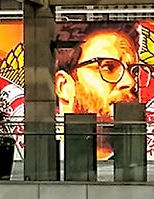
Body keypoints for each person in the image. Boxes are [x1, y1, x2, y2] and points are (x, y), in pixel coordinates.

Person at [55, 23, 142, 158]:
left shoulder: (138, 166)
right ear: (64, 86)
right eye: (108, 67)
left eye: (134, 70)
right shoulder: (44, 162)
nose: (130, 82)